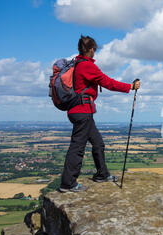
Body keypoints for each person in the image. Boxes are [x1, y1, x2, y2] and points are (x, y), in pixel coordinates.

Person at [59, 35, 141, 193]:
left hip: (81, 111)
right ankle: (68, 183)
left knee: (97, 143)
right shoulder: (86, 66)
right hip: (82, 111)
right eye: (94, 50)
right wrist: (130, 86)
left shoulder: (77, 64)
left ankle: (102, 174)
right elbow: (107, 82)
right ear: (91, 49)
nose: (94, 53)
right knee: (77, 147)